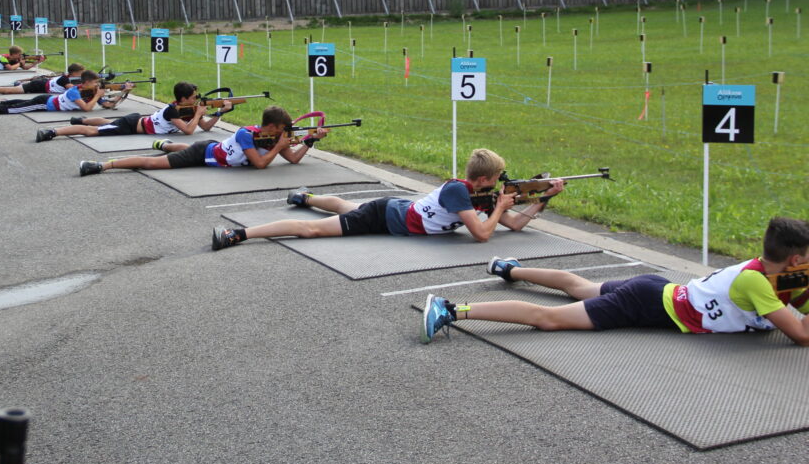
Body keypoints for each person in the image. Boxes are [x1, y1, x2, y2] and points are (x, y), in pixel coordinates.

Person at [420, 216, 809, 345]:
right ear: (794, 259)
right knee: (547, 319)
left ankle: (508, 269)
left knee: (579, 287)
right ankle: (451, 309)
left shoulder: (775, 273)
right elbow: (801, 334)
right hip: (648, 303)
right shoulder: (757, 282)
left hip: (656, 289)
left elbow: (799, 308)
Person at [209, 148, 562, 251]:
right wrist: (499, 207)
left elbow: (515, 224)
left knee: (347, 207)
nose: (499, 185)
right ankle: (239, 233)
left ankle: (306, 197)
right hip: (387, 216)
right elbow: (482, 234)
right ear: (483, 180)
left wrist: (543, 199)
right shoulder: (459, 191)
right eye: (497, 179)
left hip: (396, 212)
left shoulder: (481, 197)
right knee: (311, 230)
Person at [78, 105, 324, 177]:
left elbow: (293, 159)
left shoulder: (271, 137)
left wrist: (310, 141)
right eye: (281, 130)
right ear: (271, 127)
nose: (283, 134)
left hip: (213, 153)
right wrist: (279, 146)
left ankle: (165, 144)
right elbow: (260, 164)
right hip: (203, 154)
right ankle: (102, 165)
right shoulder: (246, 134)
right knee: (152, 163)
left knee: (177, 148)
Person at [36, 80, 224, 143]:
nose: (196, 100)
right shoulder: (172, 111)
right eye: (193, 97)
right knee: (93, 132)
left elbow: (205, 127)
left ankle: (82, 120)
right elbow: (188, 131)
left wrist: (220, 112)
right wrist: (198, 114)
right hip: (131, 125)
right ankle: (53, 131)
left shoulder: (188, 109)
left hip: (136, 122)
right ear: (182, 99)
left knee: (108, 123)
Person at [0, 69, 106, 118]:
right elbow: (87, 109)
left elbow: (107, 105)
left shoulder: (86, 89)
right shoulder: (75, 91)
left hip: (46, 99)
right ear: (87, 82)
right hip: (43, 104)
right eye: (95, 83)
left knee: (21, 104)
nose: (96, 85)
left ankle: (1, 102)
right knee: (11, 110)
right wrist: (98, 95)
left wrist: (118, 96)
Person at [0, 63, 87, 100]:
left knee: (10, 90)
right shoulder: (65, 79)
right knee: (8, 91)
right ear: (74, 73)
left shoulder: (69, 77)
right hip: (38, 85)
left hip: (43, 83)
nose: (82, 75)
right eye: (81, 73)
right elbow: (73, 89)